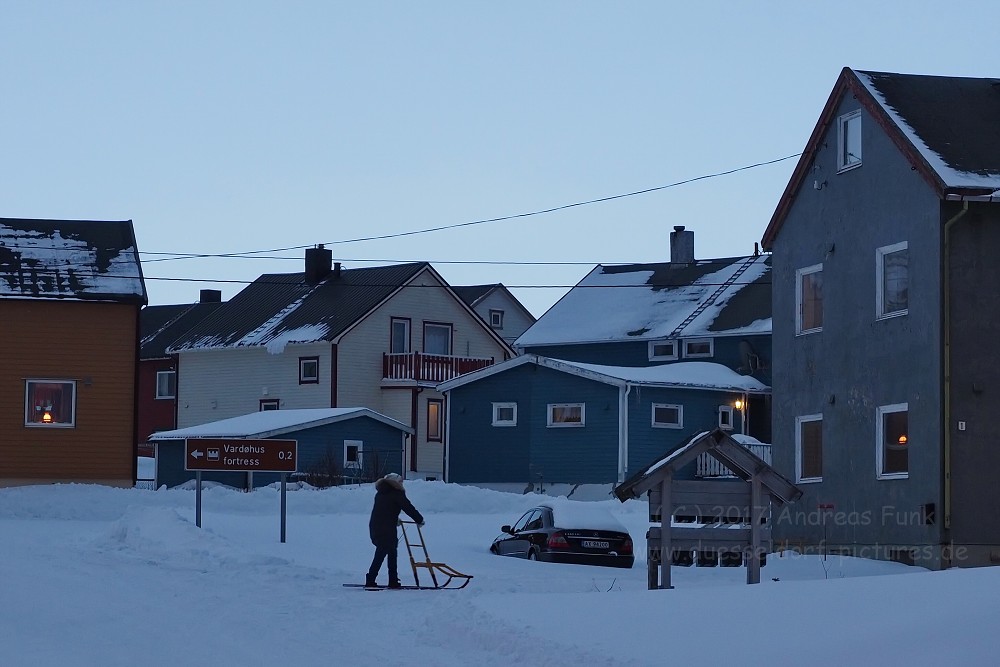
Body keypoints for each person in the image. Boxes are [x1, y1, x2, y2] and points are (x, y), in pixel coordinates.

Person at [366, 472, 424, 588]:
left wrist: (394, 518)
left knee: (391, 551)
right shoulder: (396, 494)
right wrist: (419, 519)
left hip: (378, 526)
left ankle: (392, 580)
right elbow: (408, 507)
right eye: (401, 481)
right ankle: (370, 579)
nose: (402, 484)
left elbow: (384, 509)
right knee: (382, 552)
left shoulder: (381, 493)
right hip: (386, 528)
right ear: (395, 483)